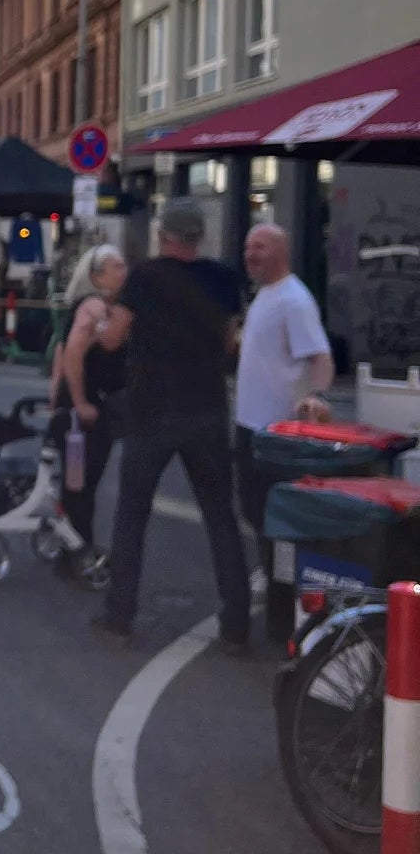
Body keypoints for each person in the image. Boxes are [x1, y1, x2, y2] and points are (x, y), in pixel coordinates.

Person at [93, 200, 251, 651]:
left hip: (153, 411)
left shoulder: (144, 278)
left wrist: (104, 316)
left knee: (132, 515)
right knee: (221, 518)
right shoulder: (222, 278)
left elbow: (113, 337)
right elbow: (230, 341)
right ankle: (236, 626)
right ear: (200, 236)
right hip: (206, 410)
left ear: (164, 234)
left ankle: (119, 615)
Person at [234, 223, 334, 533]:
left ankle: (276, 577)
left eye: (260, 247)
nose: (250, 254)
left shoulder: (294, 300)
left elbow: (320, 355)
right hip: (249, 423)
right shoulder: (266, 295)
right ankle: (268, 569)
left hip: (278, 428)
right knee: (252, 504)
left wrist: (317, 395)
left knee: (271, 509)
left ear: (281, 252)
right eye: (248, 247)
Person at [47, 244, 128, 568]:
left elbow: (60, 354)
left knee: (78, 483)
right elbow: (72, 354)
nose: (124, 273)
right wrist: (79, 402)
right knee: (81, 484)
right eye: (117, 267)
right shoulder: (94, 307)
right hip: (85, 414)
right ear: (97, 276)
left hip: (79, 410)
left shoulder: (92, 306)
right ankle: (77, 553)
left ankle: (73, 547)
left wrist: (58, 399)